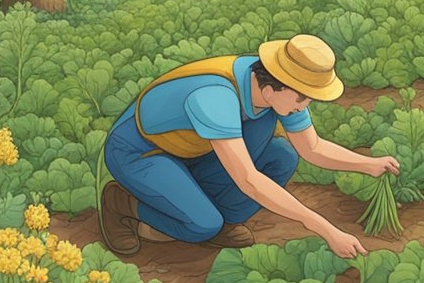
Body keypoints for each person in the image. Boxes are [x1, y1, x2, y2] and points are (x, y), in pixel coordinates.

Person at [98, 34, 399, 259]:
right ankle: (123, 204)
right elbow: (249, 181)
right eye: (301, 99)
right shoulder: (215, 96)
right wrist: (326, 229)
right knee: (202, 224)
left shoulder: (275, 89)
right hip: (141, 152)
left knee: (281, 155)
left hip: (193, 150)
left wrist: (367, 164)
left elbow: (313, 148)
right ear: (271, 89)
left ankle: (219, 220)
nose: (304, 107)